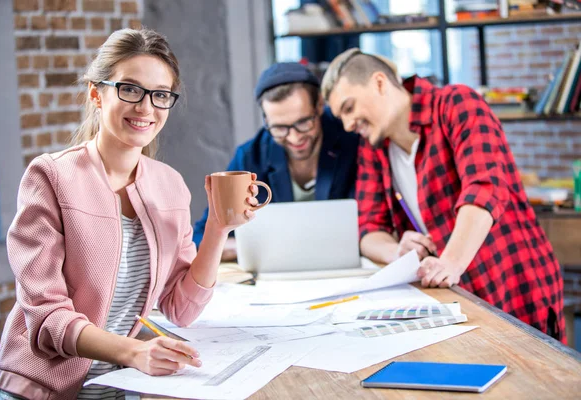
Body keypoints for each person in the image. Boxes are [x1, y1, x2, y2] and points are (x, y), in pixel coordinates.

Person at [0, 29, 259, 400]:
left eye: (160, 95)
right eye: (130, 89)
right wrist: (134, 352)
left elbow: (180, 309)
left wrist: (218, 226)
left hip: (119, 386)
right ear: (96, 94)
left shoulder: (170, 185)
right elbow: (46, 318)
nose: (146, 108)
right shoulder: (51, 176)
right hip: (45, 389)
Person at [321, 48, 565, 341]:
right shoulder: (374, 147)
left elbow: (484, 188)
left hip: (513, 285)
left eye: (349, 108)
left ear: (379, 83)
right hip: (457, 298)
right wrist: (396, 250)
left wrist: (450, 262)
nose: (348, 125)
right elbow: (369, 229)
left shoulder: (457, 104)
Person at [193, 62, 360, 261]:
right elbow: (200, 238)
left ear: (319, 106)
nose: (294, 138)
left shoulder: (352, 140)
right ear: (266, 120)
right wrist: (247, 247)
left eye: (304, 122)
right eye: (280, 128)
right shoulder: (251, 156)